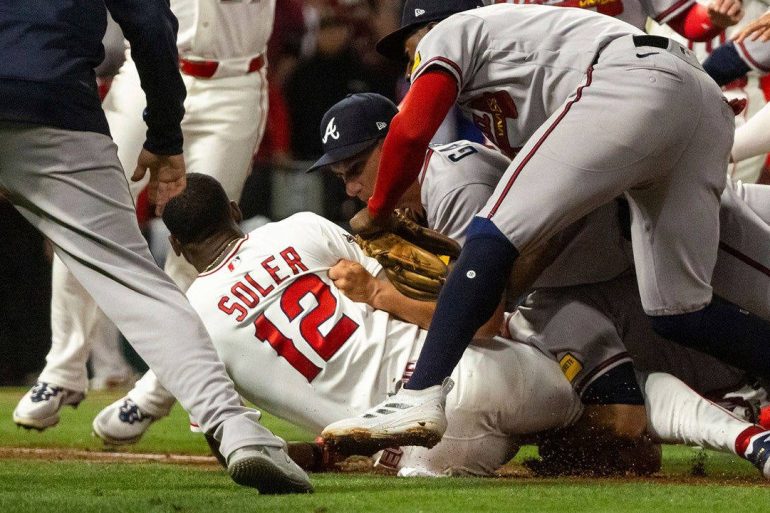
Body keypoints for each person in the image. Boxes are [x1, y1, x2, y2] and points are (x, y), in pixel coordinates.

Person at [320, 0, 765, 453]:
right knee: (680, 312)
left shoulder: (453, 31)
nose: (410, 63)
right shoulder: (508, 75)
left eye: (410, 49)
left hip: (630, 80)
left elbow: (413, 130)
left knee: (491, 233)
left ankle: (419, 394)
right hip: (692, 95)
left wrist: (379, 209)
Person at [153, 172, 770, 478]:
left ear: (177, 246)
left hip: (408, 446)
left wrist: (315, 449)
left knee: (555, 445)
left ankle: (566, 445)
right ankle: (745, 436)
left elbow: (233, 443)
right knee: (607, 406)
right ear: (235, 210)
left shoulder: (189, 319)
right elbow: (417, 290)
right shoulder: (300, 229)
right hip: (471, 370)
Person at [0, 0, 310, 494]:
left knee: (199, 244)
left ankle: (154, 391)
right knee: (129, 273)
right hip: (64, 91)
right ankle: (230, 425)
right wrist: (166, 134)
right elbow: (147, 21)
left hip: (230, 81)